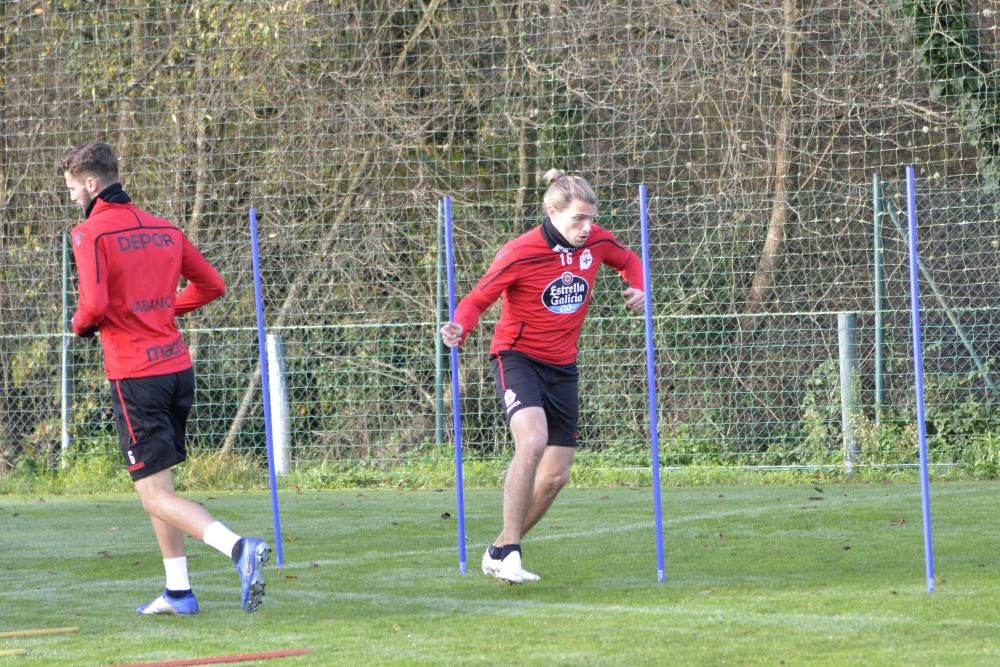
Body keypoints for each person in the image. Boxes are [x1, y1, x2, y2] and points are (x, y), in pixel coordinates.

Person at [62, 140, 269, 614]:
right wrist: (158, 309)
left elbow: (91, 307)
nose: (72, 198)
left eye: (73, 189)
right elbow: (212, 285)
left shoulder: (89, 233)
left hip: (137, 374)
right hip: (177, 368)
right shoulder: (164, 227)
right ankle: (178, 590)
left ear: (92, 184)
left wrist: (79, 326)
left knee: (154, 495)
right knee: (159, 489)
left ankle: (239, 548)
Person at [440, 169, 644, 584]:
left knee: (555, 477)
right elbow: (478, 298)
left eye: (591, 218)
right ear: (552, 212)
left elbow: (629, 261)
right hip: (517, 358)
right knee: (531, 441)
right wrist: (459, 325)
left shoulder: (597, 242)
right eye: (578, 220)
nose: (588, 228)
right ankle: (512, 552)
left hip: (563, 365)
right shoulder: (519, 252)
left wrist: (639, 287)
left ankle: (499, 548)